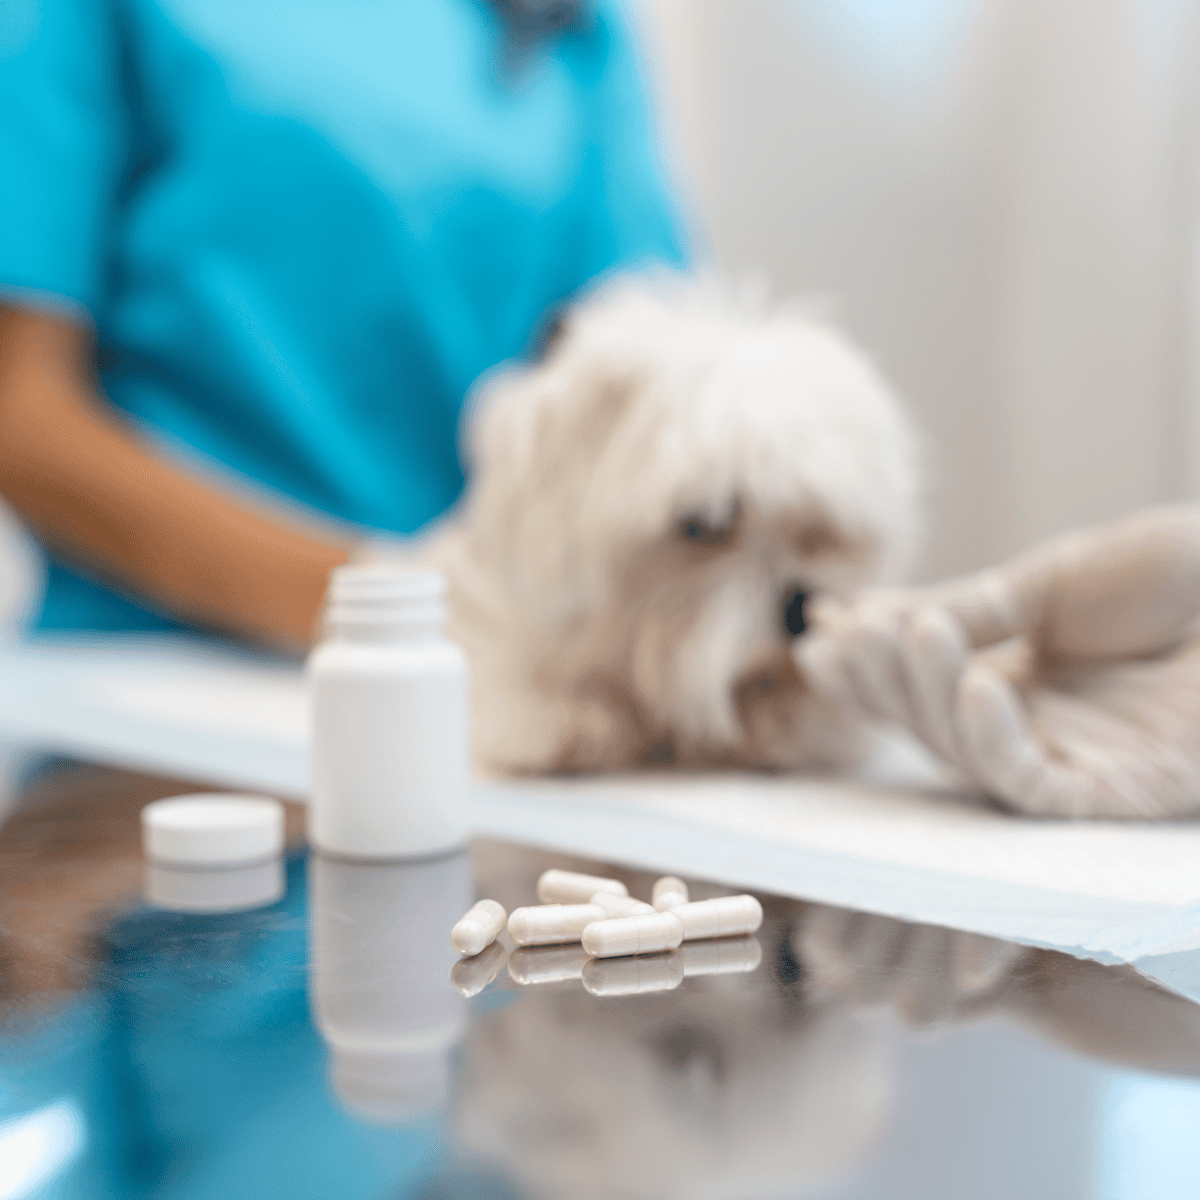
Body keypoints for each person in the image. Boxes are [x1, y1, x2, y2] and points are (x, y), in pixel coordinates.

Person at [0, 0, 685, 652]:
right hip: (162, 682)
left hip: (471, 686)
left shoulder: (581, 27)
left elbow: (661, 383)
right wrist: (393, 607)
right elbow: (19, 410)